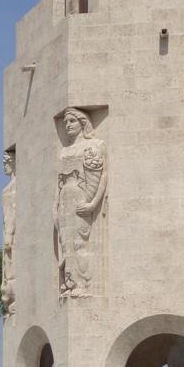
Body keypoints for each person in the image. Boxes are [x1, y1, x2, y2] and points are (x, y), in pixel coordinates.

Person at [54, 107, 107, 298]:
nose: (67, 125)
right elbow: (58, 184)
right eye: (65, 122)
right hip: (64, 201)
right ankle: (69, 281)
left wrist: (92, 204)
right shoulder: (64, 152)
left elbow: (102, 177)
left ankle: (83, 283)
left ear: (82, 123)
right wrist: (55, 208)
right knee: (66, 244)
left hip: (80, 197)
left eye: (72, 121)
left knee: (79, 242)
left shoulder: (94, 145)